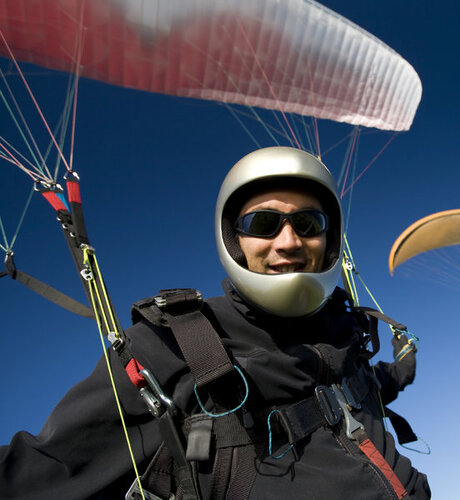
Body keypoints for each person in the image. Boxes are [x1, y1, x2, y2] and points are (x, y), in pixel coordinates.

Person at [0, 146, 431, 499]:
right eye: (263, 224)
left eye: (308, 223)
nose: (288, 241)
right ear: (235, 240)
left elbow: (370, 385)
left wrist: (405, 360)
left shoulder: (345, 331)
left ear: (329, 237)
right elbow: (47, 468)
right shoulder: (170, 346)